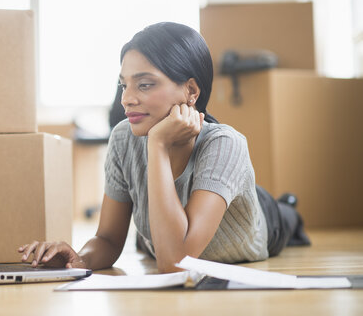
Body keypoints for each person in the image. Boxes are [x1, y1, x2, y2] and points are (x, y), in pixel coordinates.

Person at [18, 22, 309, 273]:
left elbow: (174, 263)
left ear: (191, 91)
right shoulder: (123, 138)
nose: (127, 99)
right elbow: (107, 239)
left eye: (144, 85)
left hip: (258, 224)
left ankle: (289, 207)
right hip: (170, 234)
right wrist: (78, 259)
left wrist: (157, 145)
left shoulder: (225, 144)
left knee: (283, 214)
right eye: (124, 86)